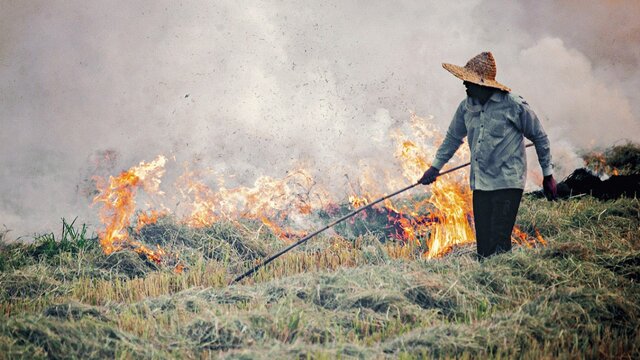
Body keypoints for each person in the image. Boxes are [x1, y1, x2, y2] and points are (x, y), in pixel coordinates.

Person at [419, 51, 557, 258]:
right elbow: (452, 138)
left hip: (507, 182)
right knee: (484, 247)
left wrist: (548, 175)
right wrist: (435, 167)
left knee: (499, 242)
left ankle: (505, 282)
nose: (465, 85)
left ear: (483, 84)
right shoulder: (465, 107)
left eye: (469, 81)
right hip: (481, 184)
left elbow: (540, 137)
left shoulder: (513, 105)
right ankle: (487, 279)